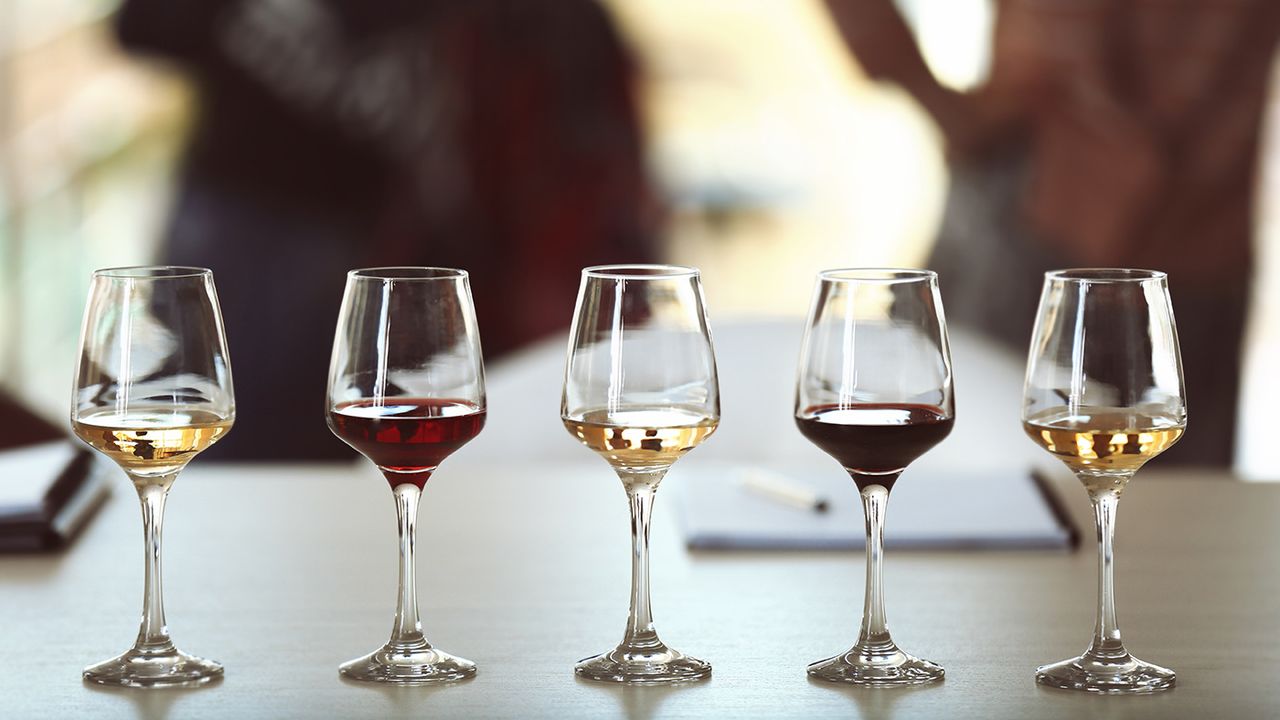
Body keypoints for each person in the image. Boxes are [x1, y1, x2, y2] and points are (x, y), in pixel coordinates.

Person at [114, 0, 658, 459]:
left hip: (389, 235)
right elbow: (145, 24)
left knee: (345, 460)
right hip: (258, 215)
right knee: (234, 455)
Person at [823, 0, 1280, 466]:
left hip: (1204, 250)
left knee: (1178, 521)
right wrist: (939, 104)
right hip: (1028, 217)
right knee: (975, 494)